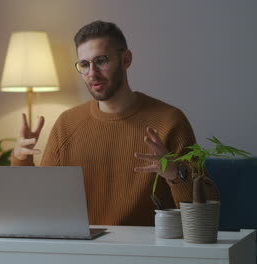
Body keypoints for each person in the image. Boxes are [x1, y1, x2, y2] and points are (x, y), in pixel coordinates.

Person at [11, 20, 219, 226]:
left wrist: (175, 173)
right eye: (84, 64)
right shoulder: (67, 124)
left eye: (101, 61)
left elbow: (207, 212)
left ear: (126, 59)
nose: (92, 73)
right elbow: (40, 208)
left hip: (148, 253)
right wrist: (21, 160)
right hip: (81, 251)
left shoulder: (169, 121)